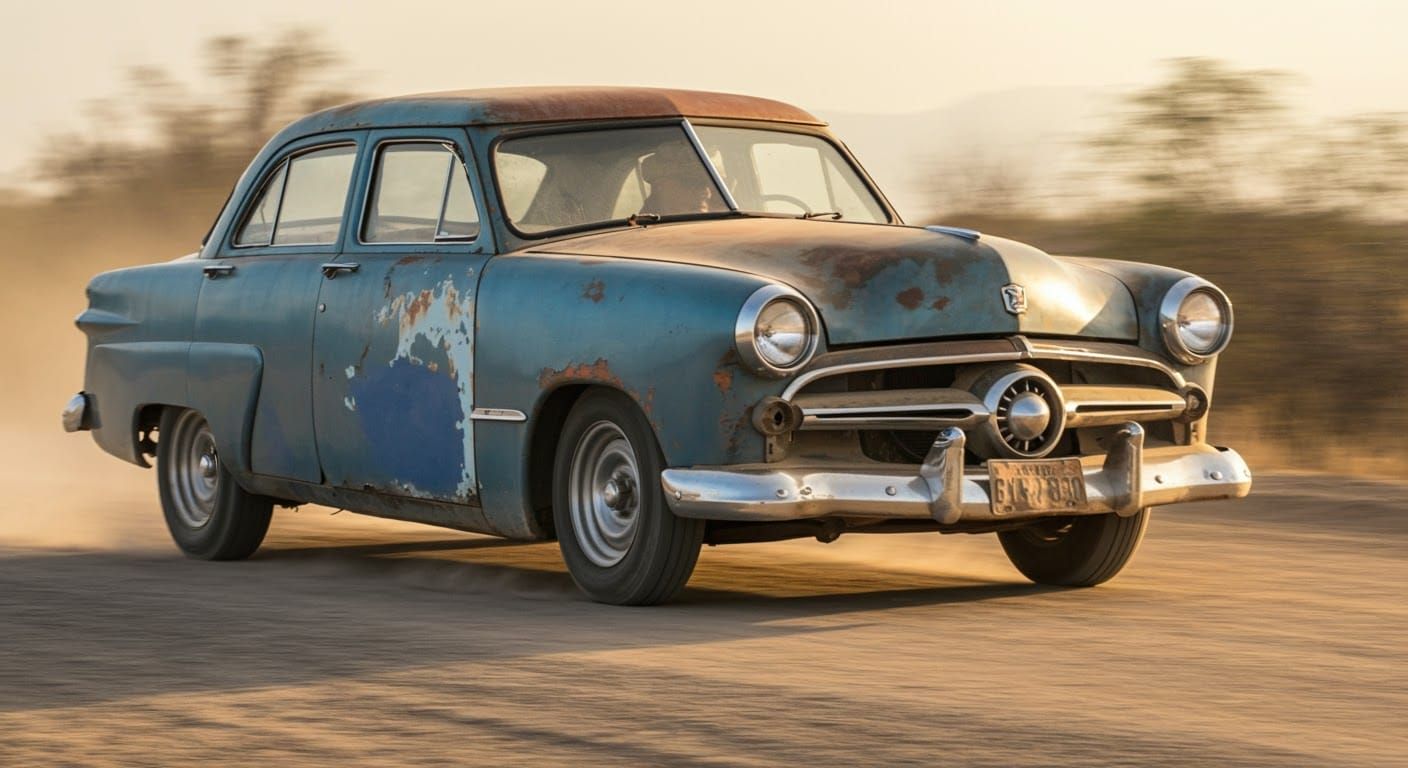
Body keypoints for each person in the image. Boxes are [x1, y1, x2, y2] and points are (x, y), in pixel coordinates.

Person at [638, 146, 718, 215]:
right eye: (690, 182)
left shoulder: (723, 216)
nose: (706, 193)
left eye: (705, 183)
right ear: (659, 186)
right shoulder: (639, 228)